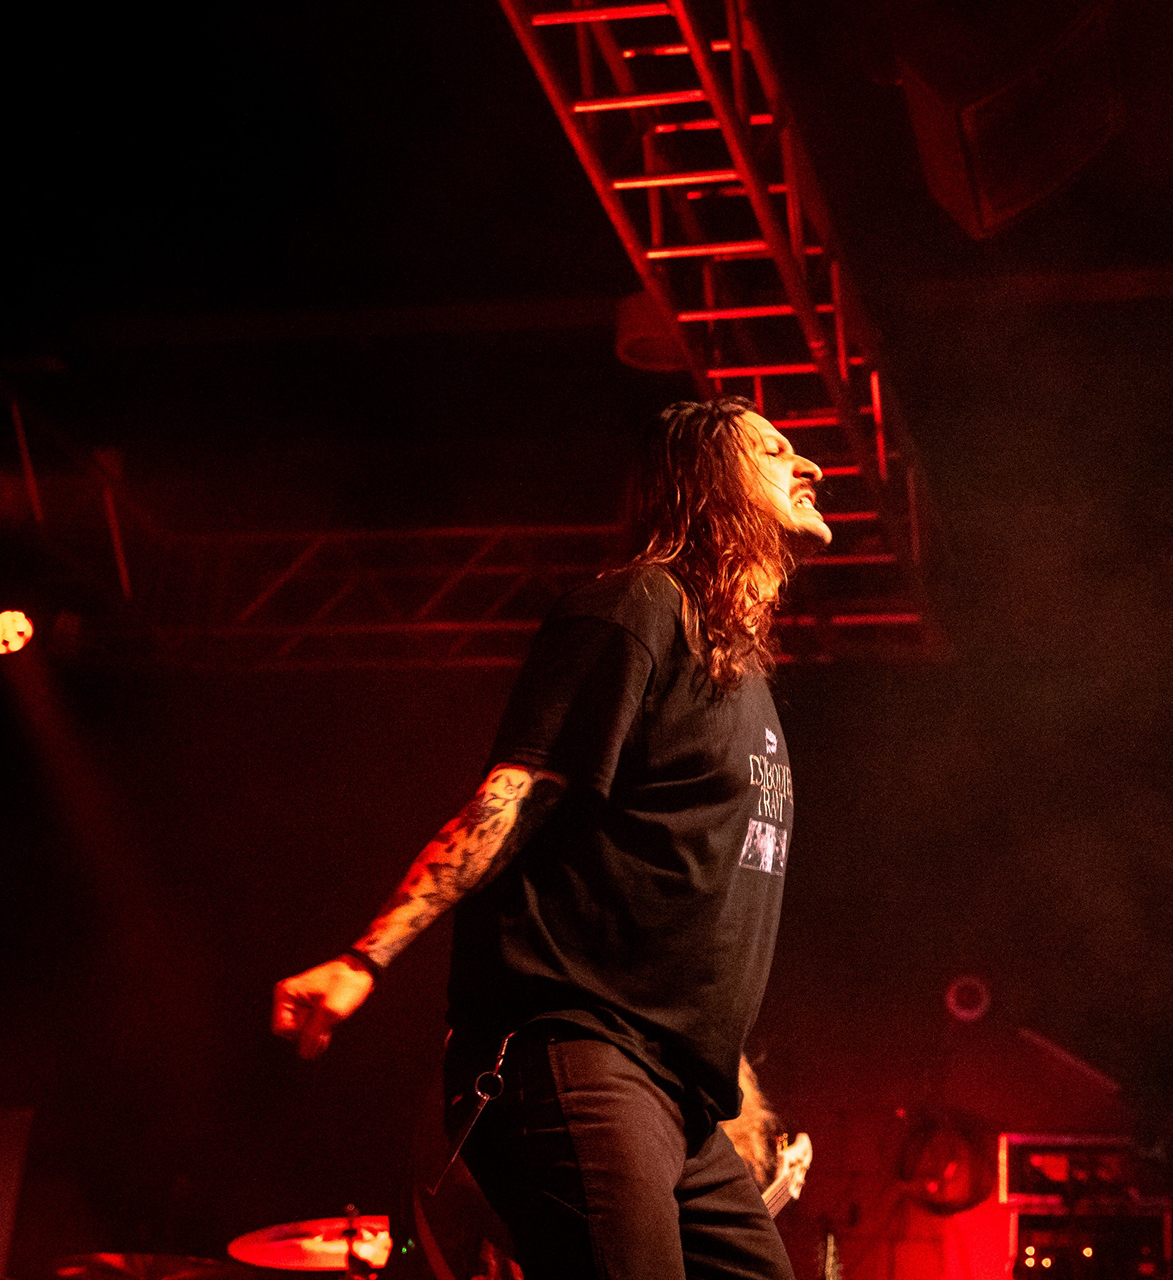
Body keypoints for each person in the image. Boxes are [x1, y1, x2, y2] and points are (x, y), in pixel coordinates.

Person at [271, 397, 831, 1280]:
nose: (810, 466)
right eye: (773, 450)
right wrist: (366, 957)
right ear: (710, 480)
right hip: (577, 1056)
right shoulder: (634, 608)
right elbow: (513, 797)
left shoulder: (736, 667)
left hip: (681, 1100)